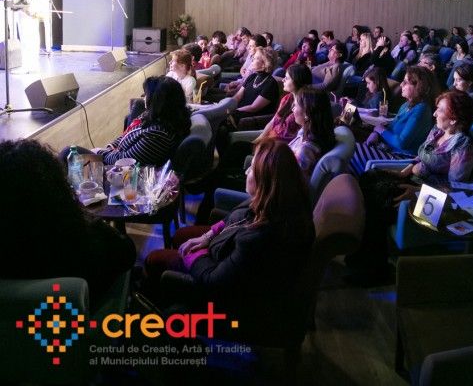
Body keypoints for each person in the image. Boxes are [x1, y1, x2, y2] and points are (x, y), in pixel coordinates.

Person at [143, 140, 314, 323]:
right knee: (180, 235)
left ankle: (154, 309)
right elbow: (234, 217)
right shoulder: (275, 198)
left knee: (155, 259)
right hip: (227, 253)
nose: (246, 171)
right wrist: (207, 236)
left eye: (252, 169)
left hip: (232, 298)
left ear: (264, 181)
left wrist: (193, 254)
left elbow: (214, 282)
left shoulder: (259, 238)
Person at [348, 90, 473, 284]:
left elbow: (455, 189)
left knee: (380, 199)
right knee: (368, 178)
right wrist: (406, 171)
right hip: (415, 181)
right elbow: (421, 157)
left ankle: (374, 269)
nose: (434, 113)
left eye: (440, 110)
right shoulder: (438, 131)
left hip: (432, 199)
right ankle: (366, 256)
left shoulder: (463, 147)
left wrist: (417, 193)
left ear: (453, 120)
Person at [2, 139, 136, 296]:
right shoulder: (83, 242)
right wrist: (83, 214)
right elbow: (127, 253)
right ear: (56, 187)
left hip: (32, 311)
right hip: (91, 307)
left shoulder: (12, 254)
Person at [74, 76, 190, 166]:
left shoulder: (157, 135)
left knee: (69, 152)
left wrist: (100, 152)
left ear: (157, 101)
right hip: (115, 154)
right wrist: (110, 147)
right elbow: (126, 134)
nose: (144, 97)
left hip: (120, 171)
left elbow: (125, 160)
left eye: (147, 95)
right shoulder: (157, 116)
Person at [347, 65, 436, 174]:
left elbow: (401, 143)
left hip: (400, 158)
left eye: (405, 82)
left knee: (350, 149)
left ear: (419, 87)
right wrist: (376, 132)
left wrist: (380, 131)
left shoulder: (422, 110)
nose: (401, 84)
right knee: (347, 138)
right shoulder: (406, 105)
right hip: (387, 148)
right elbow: (390, 125)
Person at [230, 47, 280, 121]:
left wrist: (233, 111)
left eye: (256, 58)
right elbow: (237, 97)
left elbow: (254, 108)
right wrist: (227, 105)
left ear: (265, 64)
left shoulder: (271, 84)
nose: (252, 59)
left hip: (250, 118)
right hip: (238, 111)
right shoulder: (252, 76)